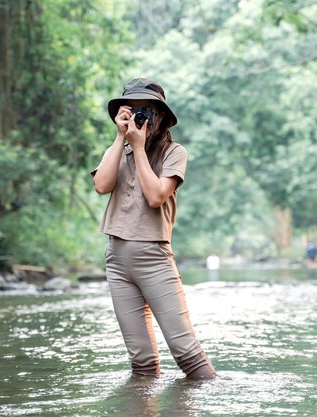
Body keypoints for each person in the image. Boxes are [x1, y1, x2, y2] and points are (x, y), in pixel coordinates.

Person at [91, 78, 216, 379]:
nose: (140, 117)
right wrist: (120, 139)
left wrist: (140, 147)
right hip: (117, 260)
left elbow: (156, 196)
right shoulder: (118, 149)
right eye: (132, 110)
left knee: (187, 354)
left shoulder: (175, 152)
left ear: (160, 116)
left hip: (154, 258)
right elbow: (101, 185)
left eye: (146, 111)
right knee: (142, 363)